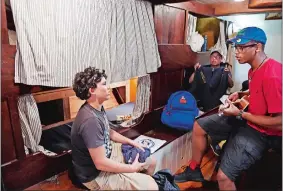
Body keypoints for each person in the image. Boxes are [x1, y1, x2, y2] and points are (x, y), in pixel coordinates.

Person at [174, 27, 282, 190]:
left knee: (223, 178)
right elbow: (256, 90)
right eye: (236, 48)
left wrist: (240, 113)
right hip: (247, 117)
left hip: (263, 133)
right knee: (199, 125)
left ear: (257, 48)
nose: (237, 52)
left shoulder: (273, 75)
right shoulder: (254, 68)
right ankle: (194, 170)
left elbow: (280, 123)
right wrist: (240, 94)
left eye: (241, 48)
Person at [71, 67, 158, 190]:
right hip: (95, 175)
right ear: (92, 90)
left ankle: (135, 182)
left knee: (151, 161)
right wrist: (131, 169)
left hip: (109, 153)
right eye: (104, 84)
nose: (108, 87)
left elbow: (109, 132)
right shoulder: (90, 121)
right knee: (152, 186)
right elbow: (100, 163)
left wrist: (131, 142)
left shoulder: (97, 107)